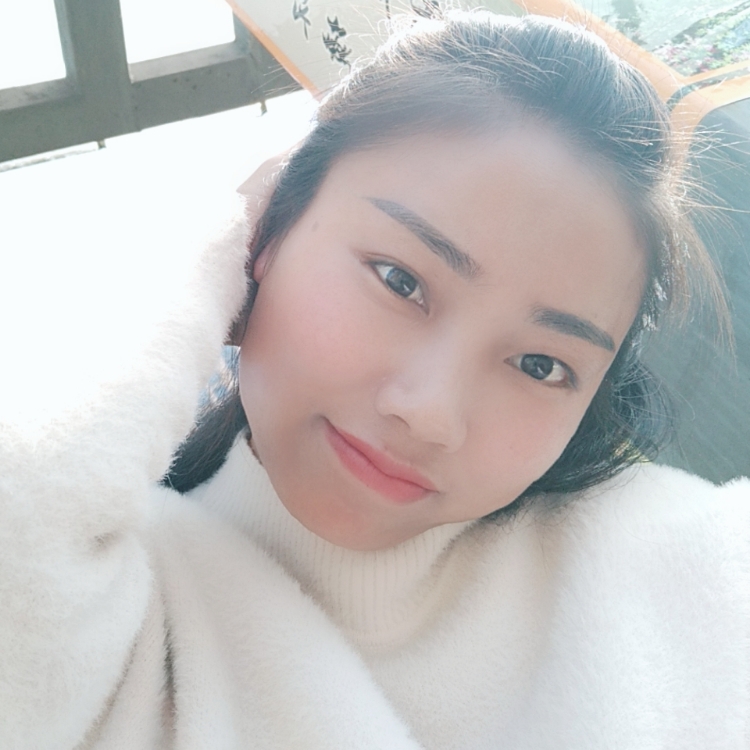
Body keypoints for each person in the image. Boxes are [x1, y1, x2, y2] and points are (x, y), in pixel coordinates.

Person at [1, 11, 748, 749]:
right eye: (398, 280)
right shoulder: (108, 598)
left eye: (540, 365)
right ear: (267, 230)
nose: (431, 413)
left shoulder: (679, 566)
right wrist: (212, 241)